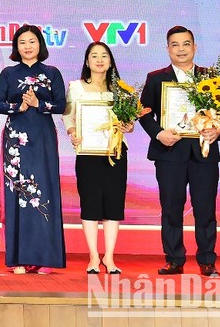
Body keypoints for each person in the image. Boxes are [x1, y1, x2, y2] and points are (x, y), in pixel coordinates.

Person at [139, 26, 220, 278]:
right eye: (175, 45)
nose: (181, 49)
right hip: (169, 153)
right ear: (168, 48)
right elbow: (144, 113)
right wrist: (159, 133)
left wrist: (217, 130)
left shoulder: (210, 77)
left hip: (204, 152)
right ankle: (174, 259)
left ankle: (207, 260)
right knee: (171, 208)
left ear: (195, 47)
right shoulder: (156, 78)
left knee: (205, 208)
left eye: (186, 44)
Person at [0, 24, 66, 275]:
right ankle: (19, 258)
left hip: (43, 138)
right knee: (18, 195)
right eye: (22, 42)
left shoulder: (52, 73)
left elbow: (61, 105)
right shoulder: (8, 73)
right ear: (16, 46)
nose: (27, 46)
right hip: (16, 140)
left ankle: (45, 258)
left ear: (40, 45)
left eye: (32, 41)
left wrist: (39, 103)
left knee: (45, 191)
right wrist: (18, 107)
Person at [62, 42, 132, 275]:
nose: (99, 60)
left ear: (110, 61)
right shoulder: (76, 87)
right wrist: (72, 133)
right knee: (90, 203)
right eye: (94, 56)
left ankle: (109, 257)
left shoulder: (121, 90)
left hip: (115, 152)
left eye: (104, 55)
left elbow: (129, 121)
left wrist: (128, 126)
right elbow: (68, 116)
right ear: (87, 61)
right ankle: (93, 256)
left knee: (114, 204)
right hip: (87, 154)